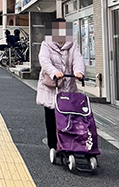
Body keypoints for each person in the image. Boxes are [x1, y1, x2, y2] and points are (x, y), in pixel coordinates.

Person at [36, 18, 85, 164]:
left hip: (68, 88)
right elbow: (44, 60)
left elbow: (78, 59)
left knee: (70, 118)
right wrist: (54, 72)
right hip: (51, 88)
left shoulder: (72, 45)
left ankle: (69, 144)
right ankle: (53, 145)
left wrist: (79, 72)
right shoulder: (46, 44)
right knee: (51, 117)